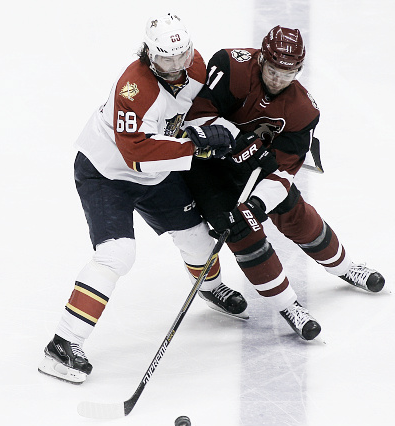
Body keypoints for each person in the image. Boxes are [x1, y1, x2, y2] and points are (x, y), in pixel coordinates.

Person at [38, 13, 249, 384]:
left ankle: (211, 288)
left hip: (155, 174)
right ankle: (62, 344)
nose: (177, 66)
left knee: (198, 240)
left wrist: (240, 130)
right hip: (107, 173)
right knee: (116, 254)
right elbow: (136, 153)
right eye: (166, 59)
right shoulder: (133, 89)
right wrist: (199, 143)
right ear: (150, 54)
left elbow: (200, 109)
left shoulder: (194, 65)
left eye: (182, 55)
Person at [182, 25, 385, 341]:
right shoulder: (231, 67)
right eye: (273, 69)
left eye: (287, 73)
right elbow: (195, 120)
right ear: (261, 57)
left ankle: (345, 267)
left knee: (295, 212)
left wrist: (259, 202)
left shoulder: (303, 110)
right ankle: (289, 305)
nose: (278, 78)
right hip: (206, 166)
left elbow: (285, 170)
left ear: (299, 70)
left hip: (254, 166)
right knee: (240, 230)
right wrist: (237, 142)